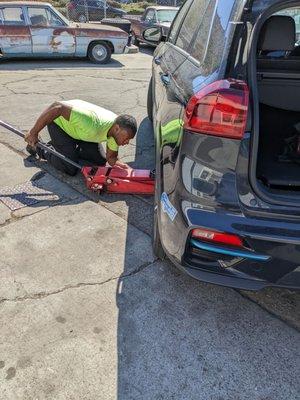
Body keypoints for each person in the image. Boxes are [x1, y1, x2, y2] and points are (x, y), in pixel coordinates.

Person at [25, 99, 137, 176]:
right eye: (127, 138)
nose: (127, 142)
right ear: (117, 128)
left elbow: (111, 158)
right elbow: (57, 107)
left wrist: (124, 168)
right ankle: (39, 147)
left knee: (99, 161)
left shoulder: (114, 133)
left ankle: (67, 149)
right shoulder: (92, 123)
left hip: (82, 132)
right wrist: (33, 132)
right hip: (61, 126)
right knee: (69, 168)